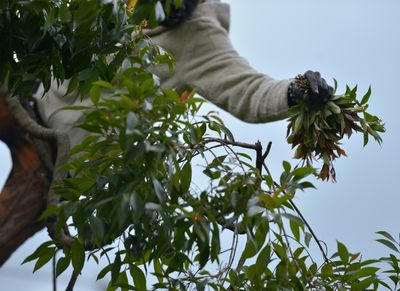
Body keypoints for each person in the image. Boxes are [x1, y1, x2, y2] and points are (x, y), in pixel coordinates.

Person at [34, 0, 333, 148]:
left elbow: (248, 90)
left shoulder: (199, 36)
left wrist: (295, 91)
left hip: (68, 146)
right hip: (34, 96)